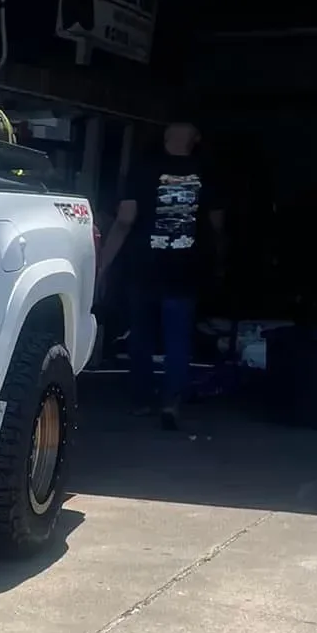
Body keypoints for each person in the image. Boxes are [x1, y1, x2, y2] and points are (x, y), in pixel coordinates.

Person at [97, 121, 225, 430]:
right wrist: (219, 259)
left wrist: (103, 263)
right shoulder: (206, 170)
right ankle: (171, 403)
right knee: (178, 340)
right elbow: (218, 223)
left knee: (141, 336)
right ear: (196, 138)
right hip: (185, 268)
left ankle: (141, 401)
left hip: (144, 266)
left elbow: (126, 218)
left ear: (167, 135)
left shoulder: (143, 168)